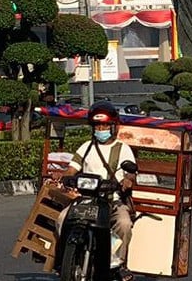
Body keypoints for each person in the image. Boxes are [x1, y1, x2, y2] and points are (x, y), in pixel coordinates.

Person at [61, 101, 137, 281]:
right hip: (85, 200)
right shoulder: (86, 146)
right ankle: (66, 259)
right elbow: (72, 168)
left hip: (113, 201)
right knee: (61, 219)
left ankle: (118, 264)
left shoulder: (123, 149)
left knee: (124, 224)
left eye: (105, 125)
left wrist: (127, 180)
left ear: (113, 127)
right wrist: (67, 176)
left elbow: (131, 174)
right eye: (97, 125)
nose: (101, 128)